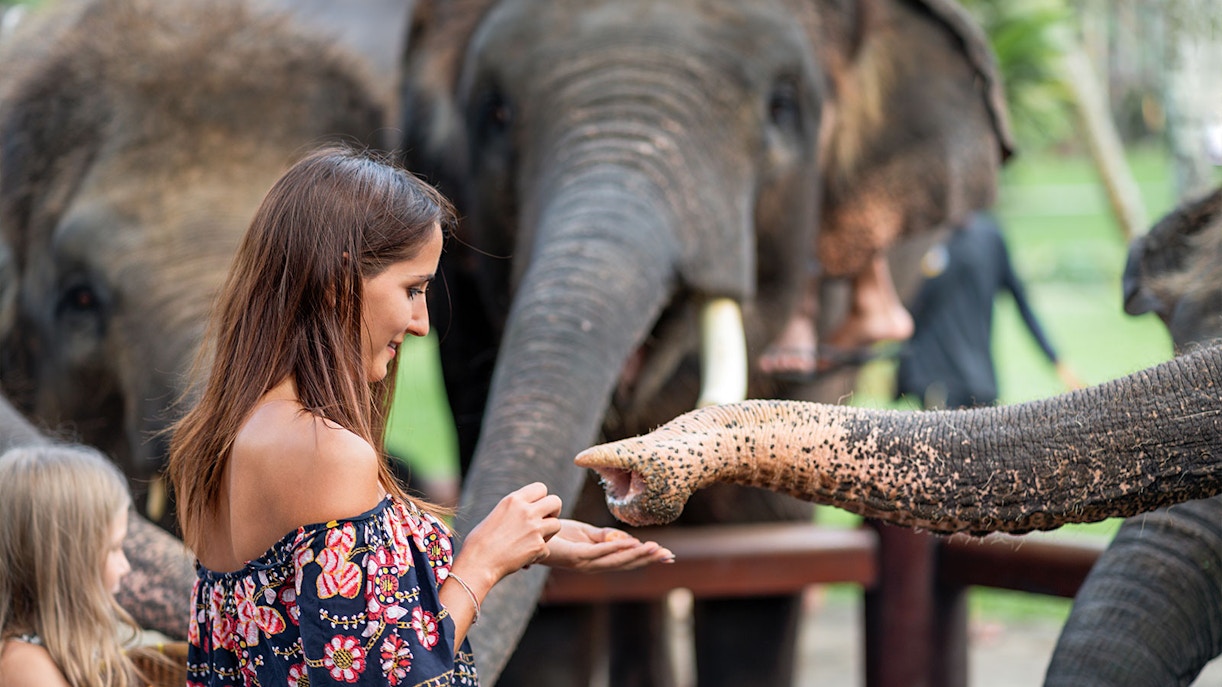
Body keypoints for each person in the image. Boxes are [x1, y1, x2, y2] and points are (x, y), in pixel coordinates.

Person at [167, 145, 673, 686]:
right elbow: (381, 676)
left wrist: (520, 543)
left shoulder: (217, 438)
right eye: (412, 290)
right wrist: (482, 564)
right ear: (340, 281)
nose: (420, 323)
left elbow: (315, 611)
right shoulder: (327, 453)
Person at [895, 211, 1081, 409]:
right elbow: (912, 315)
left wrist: (1056, 361)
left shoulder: (984, 239)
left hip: (973, 385)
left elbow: (1022, 304)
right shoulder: (933, 241)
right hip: (944, 384)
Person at [0, 444, 141, 687]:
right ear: (69, 564)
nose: (125, 566)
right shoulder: (25, 666)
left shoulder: (36, 651)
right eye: (113, 548)